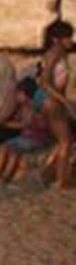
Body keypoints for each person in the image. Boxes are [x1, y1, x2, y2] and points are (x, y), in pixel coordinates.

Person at [36, 21, 74, 188]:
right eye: (67, 37)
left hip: (52, 98)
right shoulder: (55, 53)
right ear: (56, 39)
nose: (70, 40)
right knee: (65, 140)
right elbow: (44, 82)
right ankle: (61, 180)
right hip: (49, 98)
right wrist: (65, 101)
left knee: (63, 139)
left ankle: (48, 172)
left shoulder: (61, 53)